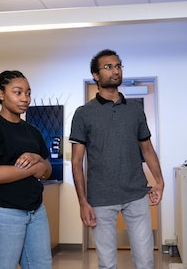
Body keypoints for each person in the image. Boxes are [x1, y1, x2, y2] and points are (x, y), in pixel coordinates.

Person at [70, 49, 165, 269]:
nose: (116, 70)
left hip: (136, 194)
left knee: (145, 261)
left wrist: (159, 182)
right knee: (107, 264)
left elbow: (148, 149)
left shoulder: (135, 110)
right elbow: (76, 162)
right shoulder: (83, 113)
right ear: (95, 75)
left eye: (119, 65)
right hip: (101, 198)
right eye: (108, 67)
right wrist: (83, 202)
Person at [0, 70, 53, 269]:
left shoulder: (33, 131)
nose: (25, 98)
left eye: (28, 93)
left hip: (35, 211)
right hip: (1, 212)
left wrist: (37, 160)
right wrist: (32, 169)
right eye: (18, 92)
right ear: (1, 95)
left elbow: (48, 170)